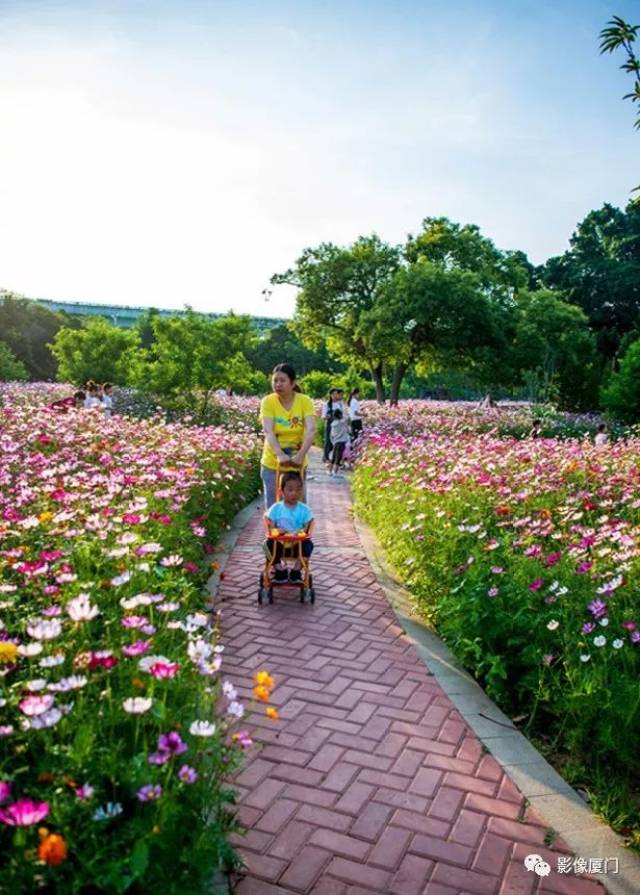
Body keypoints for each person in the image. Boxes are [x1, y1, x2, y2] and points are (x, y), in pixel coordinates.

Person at [259, 363, 316, 509]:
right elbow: (268, 430)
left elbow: (311, 430)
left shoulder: (304, 401)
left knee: (298, 504)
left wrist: (301, 454)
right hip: (272, 461)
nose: (278, 384)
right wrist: (279, 454)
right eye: (275, 380)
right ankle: (273, 531)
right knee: (273, 507)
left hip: (297, 461)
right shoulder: (268, 402)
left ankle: (300, 531)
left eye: (282, 380)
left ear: (293, 383)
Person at [264, 471, 314, 582]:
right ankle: (280, 570)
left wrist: (302, 531)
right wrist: (275, 529)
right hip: (280, 545)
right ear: (282, 491)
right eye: (290, 490)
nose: (294, 493)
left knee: (308, 545)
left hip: (297, 545)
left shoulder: (304, 510)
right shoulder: (276, 508)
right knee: (267, 544)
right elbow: (269, 524)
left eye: (298, 490)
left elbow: (308, 524)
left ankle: (296, 571)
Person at [322, 387, 344, 462]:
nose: (335, 396)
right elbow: (323, 416)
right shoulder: (327, 404)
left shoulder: (339, 404)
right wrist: (327, 416)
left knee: (336, 441)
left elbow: (342, 415)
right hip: (329, 424)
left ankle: (335, 457)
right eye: (333, 394)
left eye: (336, 394)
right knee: (328, 440)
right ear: (330, 395)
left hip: (337, 425)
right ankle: (326, 457)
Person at [329, 408, 350, 476]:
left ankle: (330, 471)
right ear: (340, 415)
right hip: (341, 442)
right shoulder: (341, 422)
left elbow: (331, 435)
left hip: (335, 442)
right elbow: (347, 417)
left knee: (333, 457)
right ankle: (335, 472)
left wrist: (333, 442)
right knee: (338, 458)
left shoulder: (332, 424)